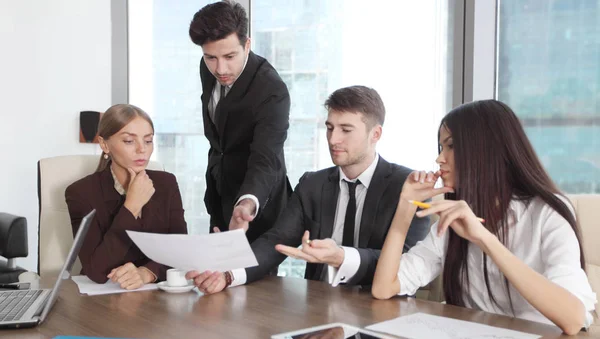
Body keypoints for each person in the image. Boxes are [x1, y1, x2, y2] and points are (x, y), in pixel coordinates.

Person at [371, 99, 597, 335]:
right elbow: (384, 288)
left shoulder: (547, 211)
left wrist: (483, 239)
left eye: (452, 146)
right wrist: (405, 207)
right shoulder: (454, 216)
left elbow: (573, 318)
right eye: (441, 148)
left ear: (487, 150)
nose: (440, 159)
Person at [187, 86, 430, 294]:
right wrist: (228, 275)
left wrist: (342, 257)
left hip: (381, 309)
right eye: (329, 127)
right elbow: (275, 242)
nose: (333, 139)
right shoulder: (312, 184)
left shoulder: (408, 187)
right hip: (317, 308)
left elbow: (406, 262)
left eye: (346, 130)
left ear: (375, 134)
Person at [189, 0, 291, 242]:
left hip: (257, 205)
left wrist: (247, 202)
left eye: (230, 56)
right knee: (214, 275)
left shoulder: (272, 91)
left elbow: (266, 159)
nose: (220, 68)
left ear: (247, 45)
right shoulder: (209, 67)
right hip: (220, 194)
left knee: (253, 280)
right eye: (210, 57)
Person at [65, 104, 187, 289]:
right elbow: (96, 271)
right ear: (104, 144)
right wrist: (131, 207)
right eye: (129, 141)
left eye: (148, 141)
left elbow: (181, 250)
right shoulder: (81, 193)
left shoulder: (166, 183)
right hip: (103, 300)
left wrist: (147, 273)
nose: (142, 150)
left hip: (156, 296)